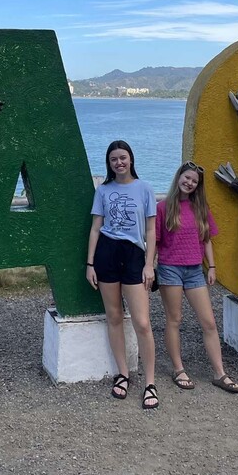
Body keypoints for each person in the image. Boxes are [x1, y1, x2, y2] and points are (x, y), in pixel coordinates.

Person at [86, 140, 160, 410]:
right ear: (109, 163)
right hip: (107, 253)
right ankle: (123, 374)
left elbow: (151, 231)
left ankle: (150, 382)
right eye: (114, 159)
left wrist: (149, 264)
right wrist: (90, 263)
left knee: (142, 322)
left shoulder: (145, 189)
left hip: (134, 256)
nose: (119, 162)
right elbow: (96, 228)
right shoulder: (103, 190)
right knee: (114, 316)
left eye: (123, 157)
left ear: (131, 160)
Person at [155, 161, 238, 394]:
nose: (189, 183)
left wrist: (211, 266)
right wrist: (148, 267)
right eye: (187, 178)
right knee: (175, 319)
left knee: (209, 322)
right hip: (169, 268)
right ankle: (178, 368)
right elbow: (155, 241)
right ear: (178, 177)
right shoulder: (163, 208)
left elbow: (206, 239)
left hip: (194, 270)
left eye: (194, 181)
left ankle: (219, 373)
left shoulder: (200, 208)